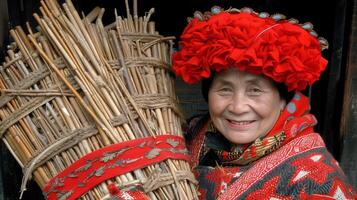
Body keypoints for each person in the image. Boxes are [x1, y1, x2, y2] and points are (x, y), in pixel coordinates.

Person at [172, 6, 357, 199]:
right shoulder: (189, 138)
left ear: (283, 100)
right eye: (225, 89)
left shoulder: (317, 180)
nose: (237, 107)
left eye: (255, 91)